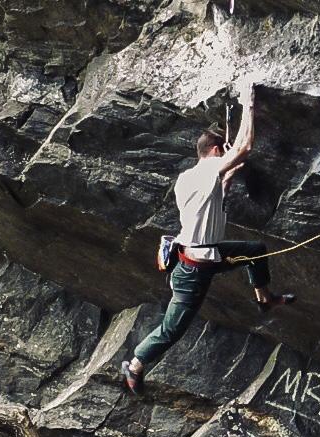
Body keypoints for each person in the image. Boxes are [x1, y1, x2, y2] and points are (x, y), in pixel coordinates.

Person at [121, 84, 295, 393]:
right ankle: (134, 364)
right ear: (215, 152)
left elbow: (221, 186)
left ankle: (265, 299)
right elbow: (245, 147)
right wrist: (248, 104)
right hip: (193, 270)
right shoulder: (206, 172)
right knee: (173, 329)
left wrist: (228, 173)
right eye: (221, 154)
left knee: (255, 250)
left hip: (207, 254)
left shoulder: (190, 179)